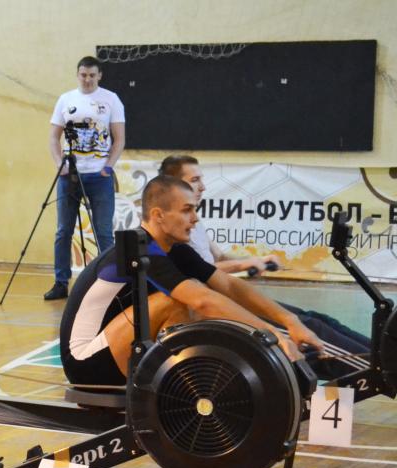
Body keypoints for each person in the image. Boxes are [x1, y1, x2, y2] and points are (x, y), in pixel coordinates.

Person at [59, 176, 323, 388]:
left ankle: (194, 381)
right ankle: (182, 389)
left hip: (115, 348)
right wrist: (273, 336)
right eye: (187, 210)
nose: (195, 218)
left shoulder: (175, 249)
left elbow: (229, 286)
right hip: (86, 363)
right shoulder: (141, 249)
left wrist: (290, 321)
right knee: (177, 301)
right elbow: (203, 302)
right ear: (158, 215)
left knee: (203, 296)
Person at [159, 154, 370, 379]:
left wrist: (256, 261)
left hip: (220, 301)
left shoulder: (187, 233)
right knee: (311, 337)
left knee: (316, 320)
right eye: (195, 180)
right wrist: (276, 332)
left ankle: (384, 355)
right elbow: (204, 294)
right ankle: (381, 369)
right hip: (208, 316)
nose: (202, 187)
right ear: (172, 187)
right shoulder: (166, 243)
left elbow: (217, 264)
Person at [46, 56, 125, 300]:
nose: (87, 79)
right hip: (70, 175)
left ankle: (109, 284)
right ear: (77, 74)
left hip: (99, 175)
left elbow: (119, 138)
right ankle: (61, 282)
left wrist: (108, 168)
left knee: (103, 232)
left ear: (99, 75)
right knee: (63, 231)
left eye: (92, 75)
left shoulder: (111, 99)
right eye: (83, 75)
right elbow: (53, 137)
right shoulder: (66, 99)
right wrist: (60, 165)